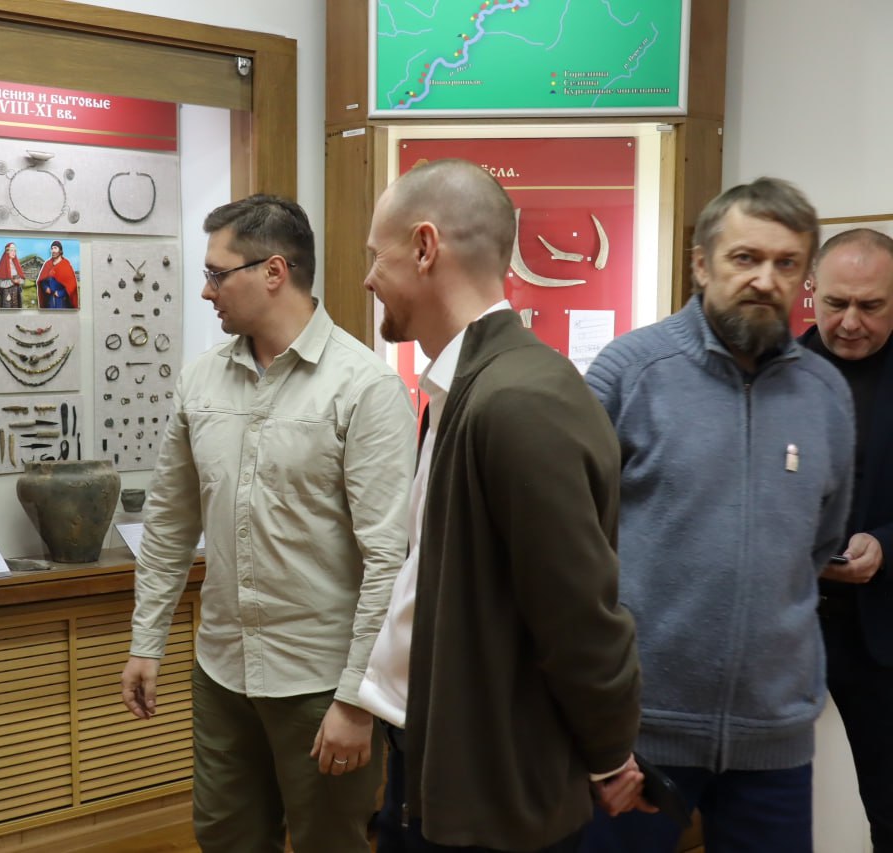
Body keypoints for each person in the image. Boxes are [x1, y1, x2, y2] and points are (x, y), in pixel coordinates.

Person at [357, 158, 643, 852]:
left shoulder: (517, 399)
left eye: (376, 256)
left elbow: (578, 612)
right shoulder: (467, 389)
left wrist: (609, 751)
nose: (368, 278)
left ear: (425, 247)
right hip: (437, 759)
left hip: (494, 798)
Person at [119, 194, 415, 853]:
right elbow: (168, 524)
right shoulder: (200, 382)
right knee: (224, 837)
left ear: (274, 272)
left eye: (217, 274)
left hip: (321, 682)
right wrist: (146, 641)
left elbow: (388, 560)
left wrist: (357, 700)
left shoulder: (365, 388)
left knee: (328, 843)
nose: (206, 291)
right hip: (222, 672)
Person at [582, 178, 855, 852]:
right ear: (702, 264)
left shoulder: (825, 393)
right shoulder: (630, 372)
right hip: (636, 736)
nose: (766, 279)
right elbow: (570, 541)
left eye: (786, 263)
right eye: (745, 258)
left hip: (773, 741)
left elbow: (819, 543)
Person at [801, 227, 893, 851]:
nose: (851, 322)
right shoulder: (775, 374)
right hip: (784, 627)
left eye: (872, 305)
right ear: (812, 292)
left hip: (882, 632)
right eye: (836, 303)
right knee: (756, 797)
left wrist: (887, 545)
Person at [37, 239, 78, 309]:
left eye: (55, 248)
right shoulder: (47, 264)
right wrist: (45, 287)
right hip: (50, 300)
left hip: (62, 301)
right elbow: (42, 281)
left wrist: (60, 293)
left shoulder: (66, 265)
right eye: (52, 248)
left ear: (60, 251)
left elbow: (72, 285)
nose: (53, 250)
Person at [0, 241, 25, 309]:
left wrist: (19, 281)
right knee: (7, 311)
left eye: (15, 251)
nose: (14, 253)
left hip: (16, 292)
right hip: (6, 293)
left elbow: (22, 279)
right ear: (7, 251)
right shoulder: (3, 265)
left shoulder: (16, 265)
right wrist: (12, 281)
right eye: (11, 250)